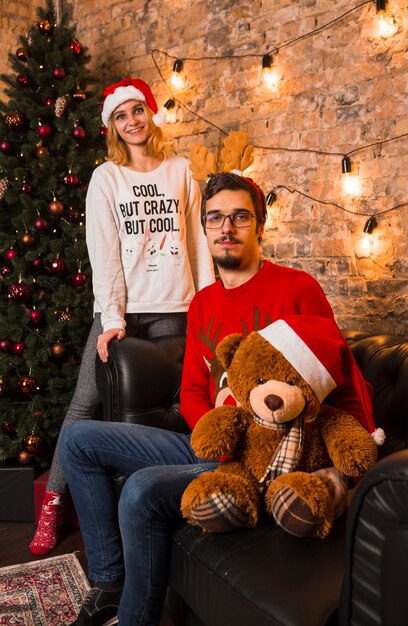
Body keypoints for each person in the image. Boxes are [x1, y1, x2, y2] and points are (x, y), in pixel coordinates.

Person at [59, 172, 376, 626]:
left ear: (260, 225)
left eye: (240, 216)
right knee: (77, 441)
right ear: (205, 228)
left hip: (268, 459)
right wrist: (212, 432)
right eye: (215, 218)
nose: (226, 227)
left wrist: (349, 466)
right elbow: (191, 390)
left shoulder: (296, 288)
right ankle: (109, 584)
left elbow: (341, 379)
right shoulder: (203, 303)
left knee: (141, 492)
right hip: (214, 443)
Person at [29, 77, 215, 556]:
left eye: (137, 111)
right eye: (120, 115)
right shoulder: (106, 178)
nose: (131, 121)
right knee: (84, 402)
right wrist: (112, 317)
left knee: (160, 420)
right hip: (123, 314)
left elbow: (197, 244)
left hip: (176, 309)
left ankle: (154, 512)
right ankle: (53, 501)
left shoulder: (179, 171)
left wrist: (209, 305)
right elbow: (104, 253)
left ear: (149, 114)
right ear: (112, 126)